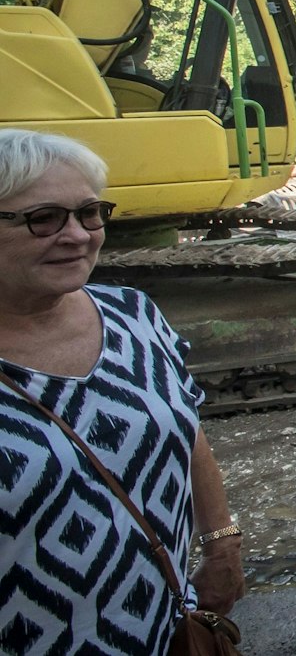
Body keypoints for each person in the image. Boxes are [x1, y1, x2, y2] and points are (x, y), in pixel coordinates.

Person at [0, 129, 245, 655]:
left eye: (90, 213)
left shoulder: (132, 314)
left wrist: (222, 543)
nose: (77, 235)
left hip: (161, 629)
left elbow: (186, 425)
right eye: (44, 218)